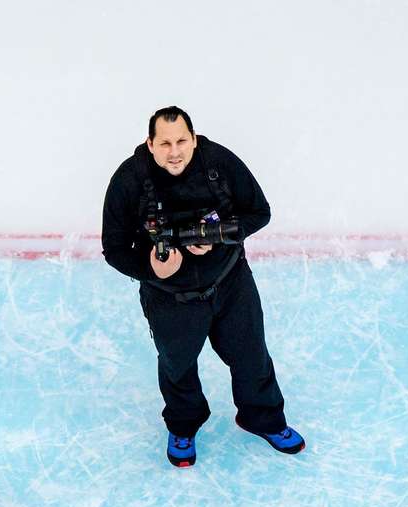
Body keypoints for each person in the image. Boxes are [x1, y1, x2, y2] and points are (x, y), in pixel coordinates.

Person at [101, 106, 304, 467]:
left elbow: (260, 212)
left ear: (194, 139)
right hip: (170, 297)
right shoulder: (129, 180)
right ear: (150, 144)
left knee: (252, 356)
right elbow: (113, 248)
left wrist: (221, 237)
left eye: (181, 140)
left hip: (230, 283)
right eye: (164, 143)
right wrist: (151, 269)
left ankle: (263, 418)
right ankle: (183, 425)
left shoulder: (218, 164)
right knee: (177, 366)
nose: (174, 151)